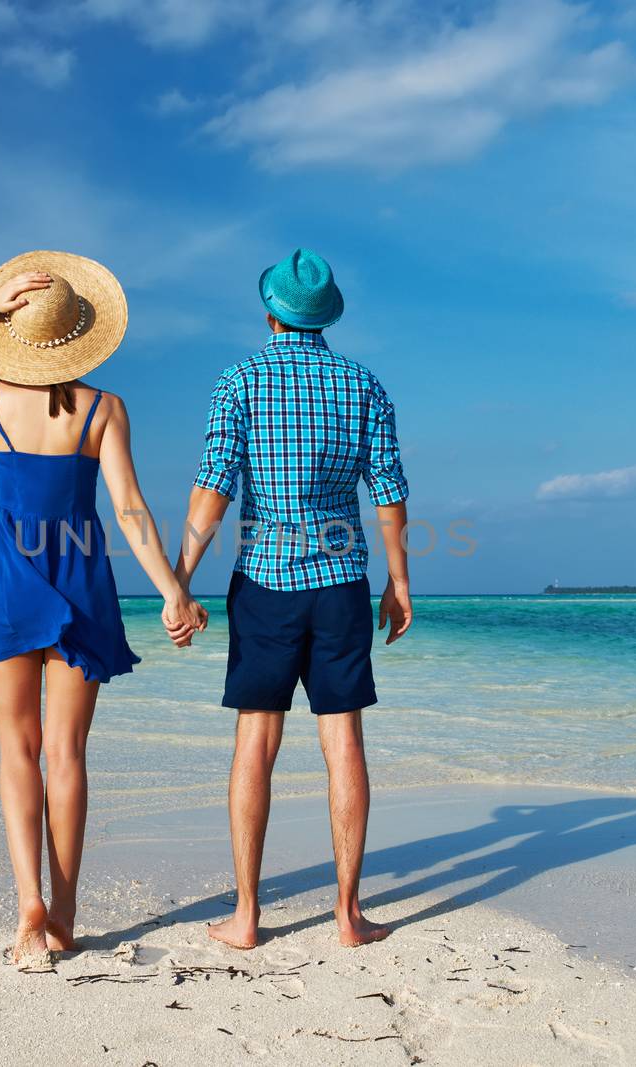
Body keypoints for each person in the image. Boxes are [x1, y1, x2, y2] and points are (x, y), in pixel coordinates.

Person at [0, 250, 207, 965]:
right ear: (83, 334)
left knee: (16, 749)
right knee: (67, 753)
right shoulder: (105, 408)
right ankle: (66, 913)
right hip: (81, 575)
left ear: (18, 333)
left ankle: (28, 906)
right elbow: (132, 509)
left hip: (10, 579)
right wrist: (173, 588)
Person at [169, 247, 413, 950]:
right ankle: (347, 915)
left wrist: (181, 578)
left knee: (256, 741)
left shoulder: (241, 378)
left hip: (266, 584)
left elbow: (213, 484)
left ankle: (246, 916)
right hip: (340, 584)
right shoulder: (362, 384)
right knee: (343, 742)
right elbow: (391, 495)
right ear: (326, 315)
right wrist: (399, 583)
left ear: (271, 311)